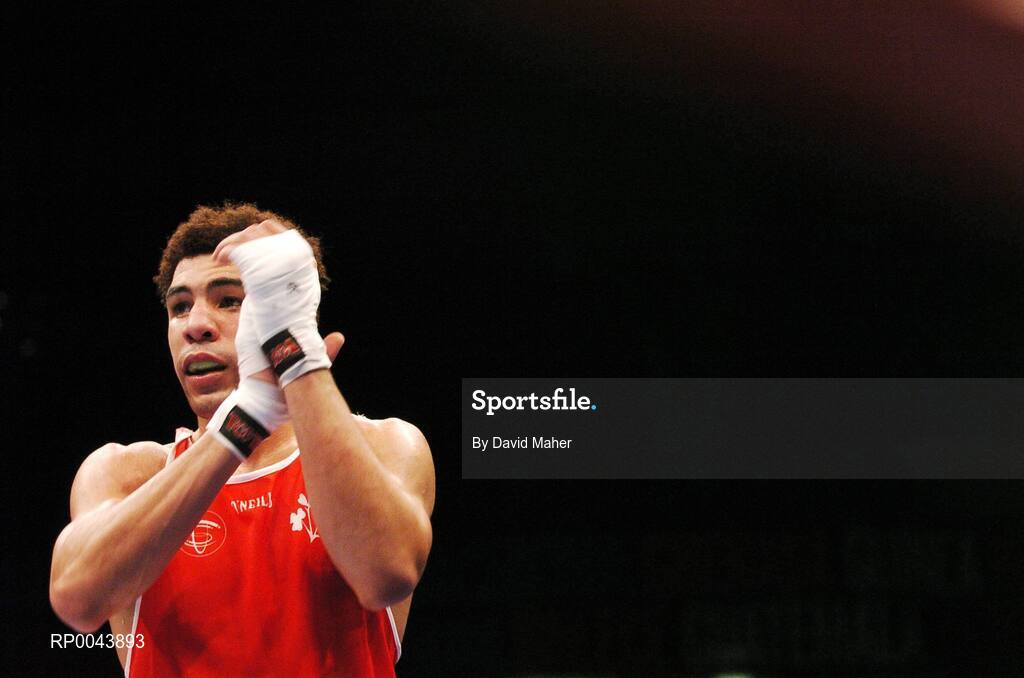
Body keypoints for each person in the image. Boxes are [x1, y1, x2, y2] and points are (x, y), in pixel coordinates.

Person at [49, 203, 435, 676]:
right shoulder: (127, 472)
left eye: (229, 299)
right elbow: (76, 599)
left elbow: (386, 574)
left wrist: (298, 357)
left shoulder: (387, 445)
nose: (195, 325)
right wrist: (245, 417)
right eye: (179, 307)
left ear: (282, 310)